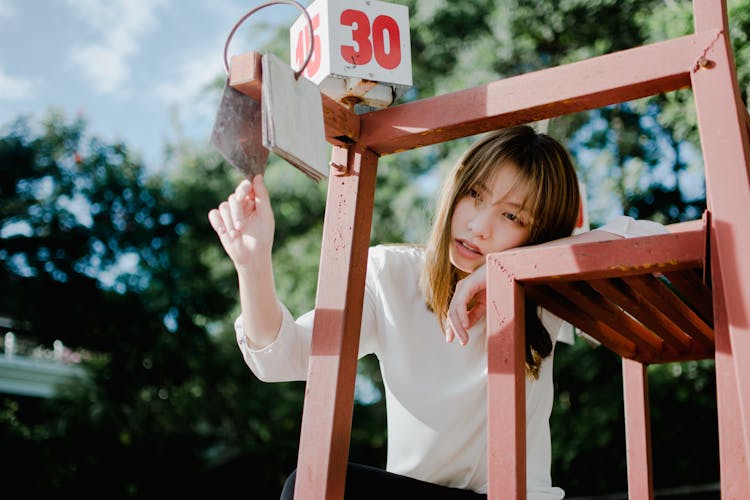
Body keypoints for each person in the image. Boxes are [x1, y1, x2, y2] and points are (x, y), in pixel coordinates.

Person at [208, 125, 666, 499]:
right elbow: (285, 357)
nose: (478, 226)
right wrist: (252, 266)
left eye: (513, 217)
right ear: (455, 189)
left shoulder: (545, 290)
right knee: (311, 483)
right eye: (475, 196)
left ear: (539, 233)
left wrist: (516, 270)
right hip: (415, 492)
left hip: (513, 497)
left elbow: (649, 238)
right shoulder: (391, 273)